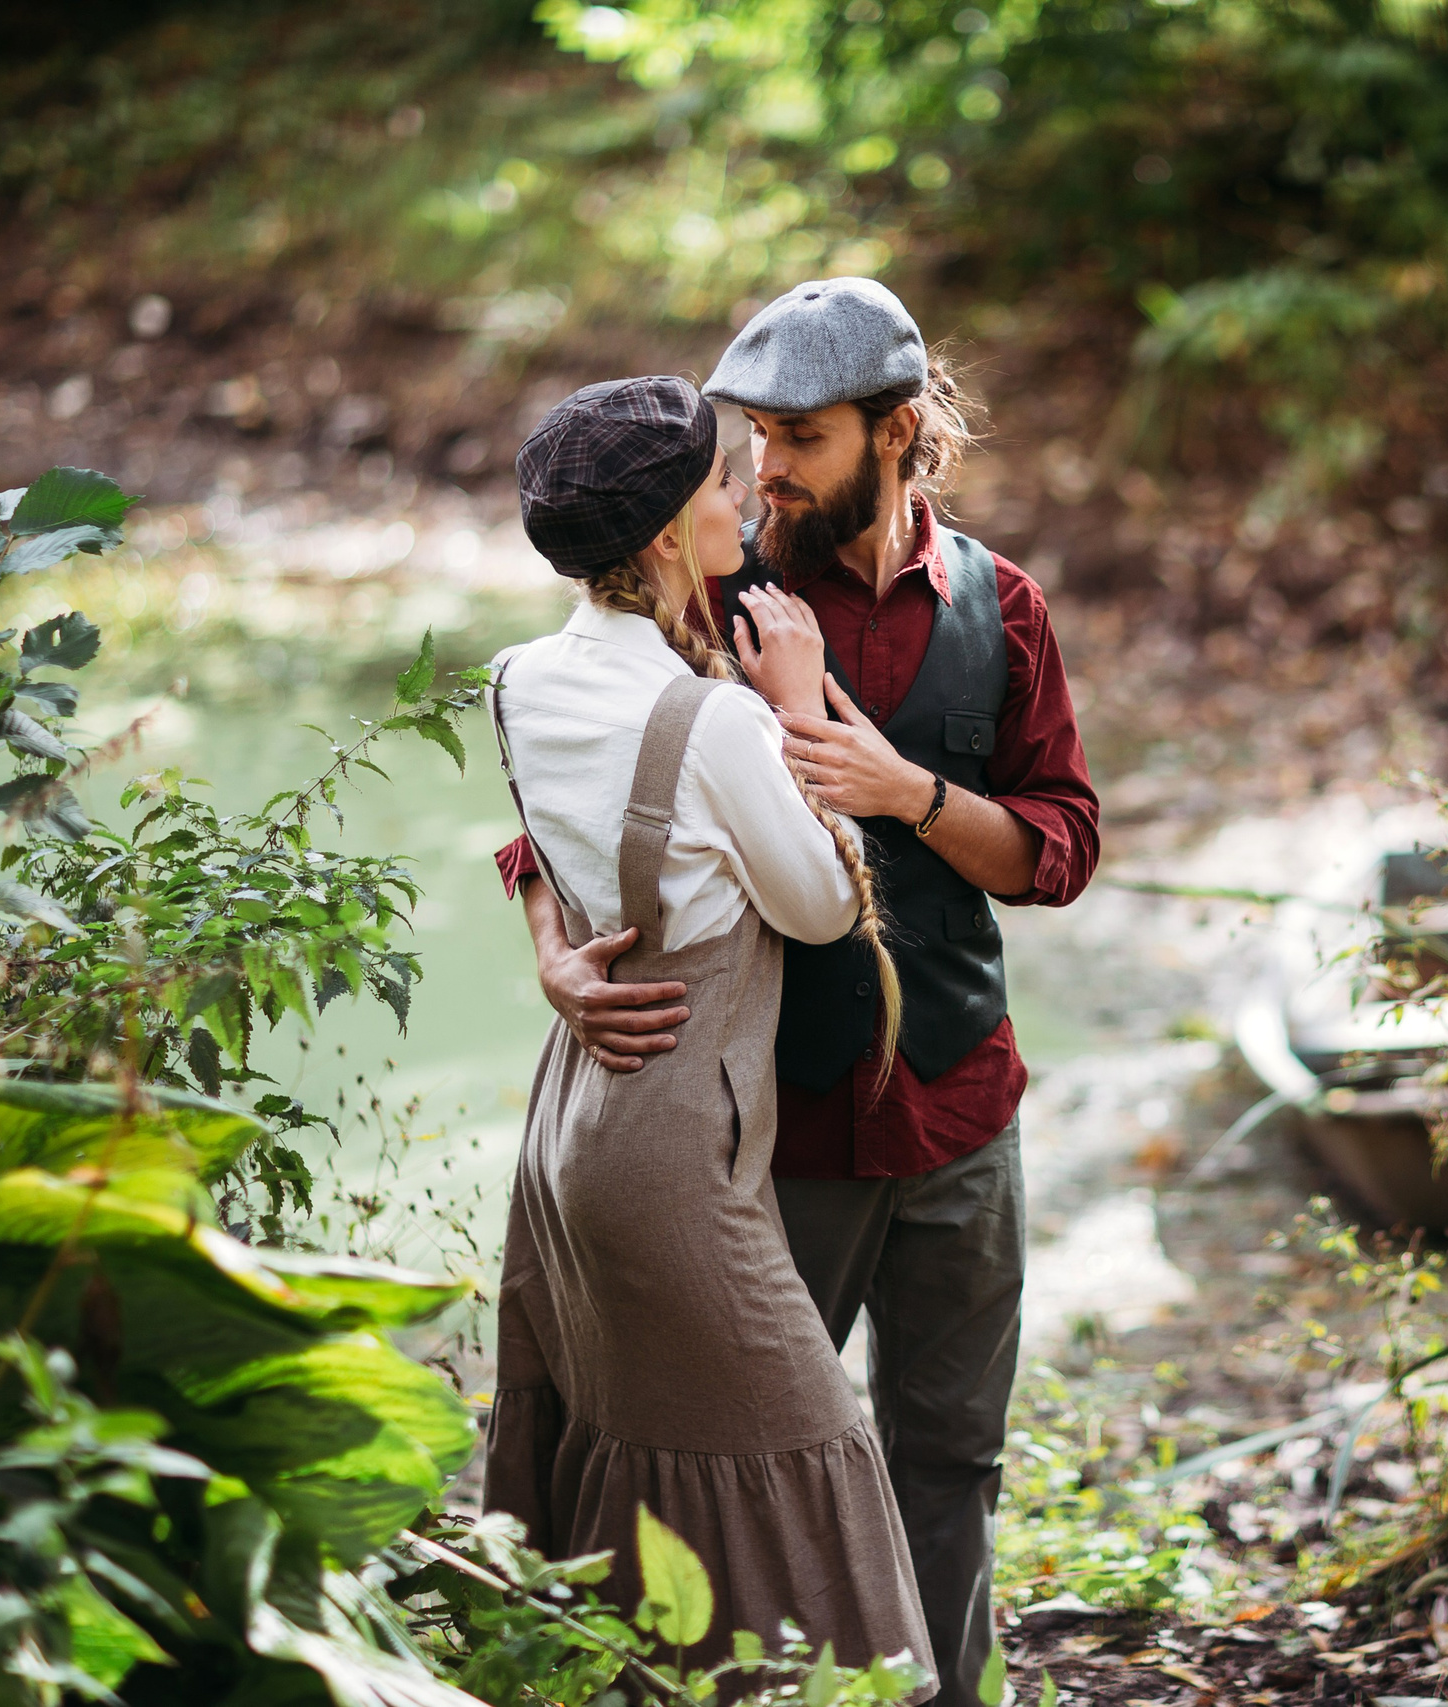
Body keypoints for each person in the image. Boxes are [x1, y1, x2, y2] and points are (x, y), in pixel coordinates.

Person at [497, 279, 1100, 1707]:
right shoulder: (700, 584)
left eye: (803, 438)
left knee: (948, 1463)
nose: (765, 470)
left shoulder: (1001, 606)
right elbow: (563, 793)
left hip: (962, 1112)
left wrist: (905, 790)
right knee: (720, 1460)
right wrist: (547, 941)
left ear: (900, 433)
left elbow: (1059, 850)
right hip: (765, 1139)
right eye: (752, 438)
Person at [482, 373, 932, 1689]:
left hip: (570, 1123)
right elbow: (813, 907)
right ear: (675, 532)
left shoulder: (514, 681)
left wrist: (554, 954)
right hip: (676, 1144)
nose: (748, 488)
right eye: (719, 482)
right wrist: (797, 702)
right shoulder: (718, 716)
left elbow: (556, 856)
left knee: (636, 1446)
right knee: (806, 1448)